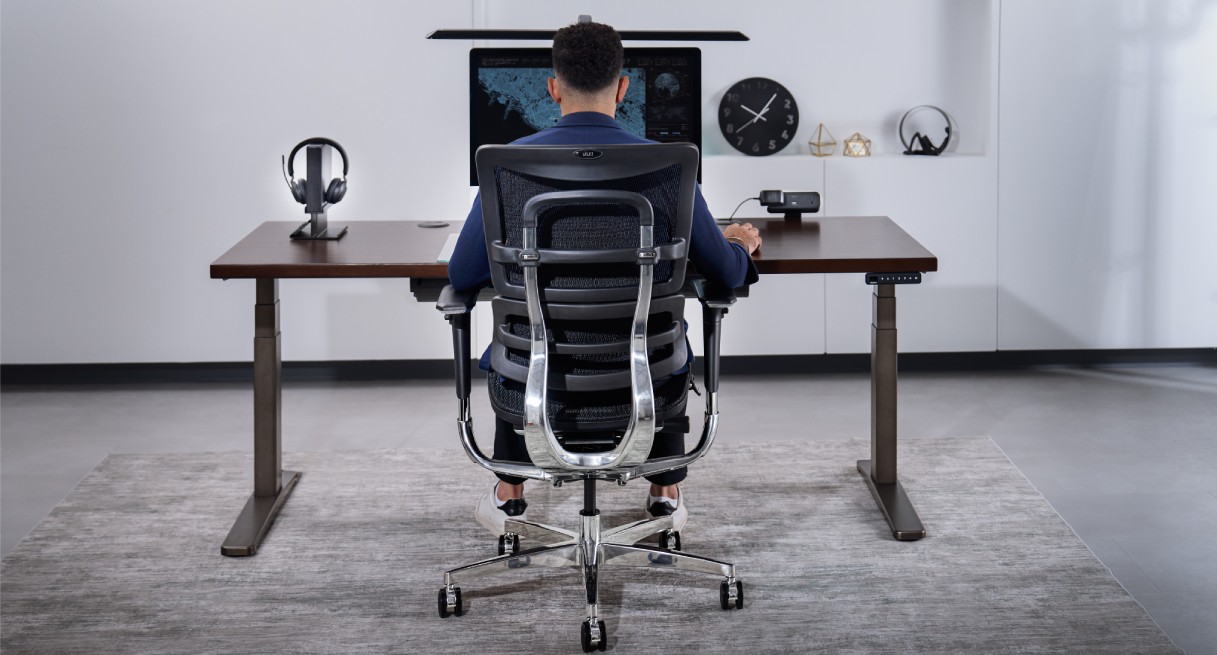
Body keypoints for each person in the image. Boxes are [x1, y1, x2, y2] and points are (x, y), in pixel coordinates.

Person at [447, 20, 762, 538]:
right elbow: (726, 274)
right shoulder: (670, 168)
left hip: (535, 389)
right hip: (644, 387)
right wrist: (737, 243)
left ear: (552, 87)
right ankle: (663, 492)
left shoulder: (506, 168)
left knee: (523, 348)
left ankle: (510, 495)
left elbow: (462, 274)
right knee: (661, 342)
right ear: (623, 87)